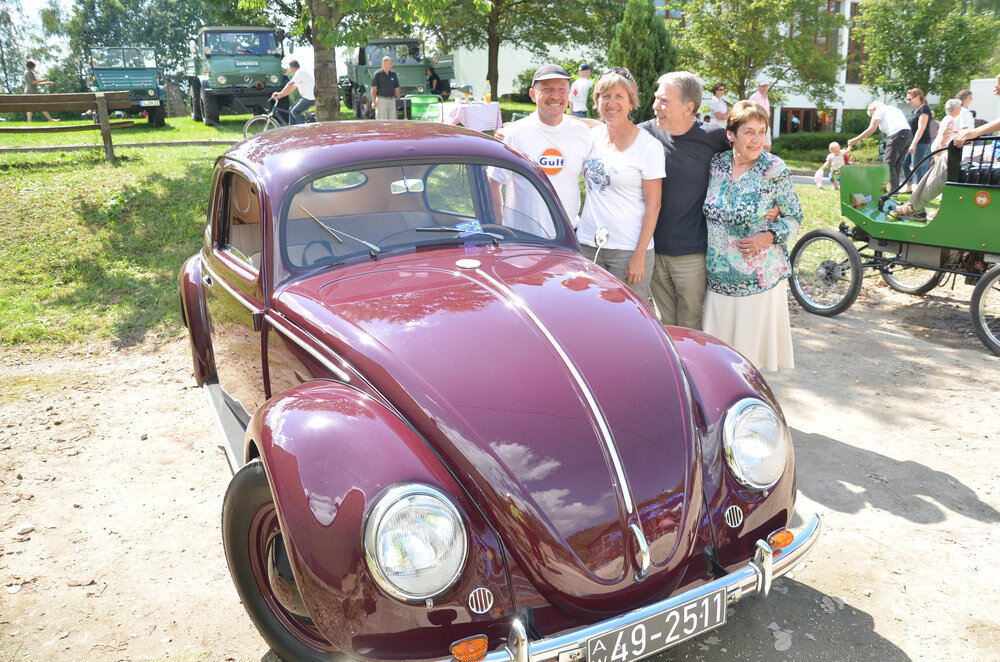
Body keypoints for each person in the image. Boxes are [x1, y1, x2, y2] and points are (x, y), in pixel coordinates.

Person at [702, 100, 802, 371]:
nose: (757, 139)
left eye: (761, 131)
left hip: (758, 282)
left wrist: (767, 236)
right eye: (749, 132)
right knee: (718, 364)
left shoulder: (774, 169)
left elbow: (795, 218)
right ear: (731, 135)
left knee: (749, 367)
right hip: (718, 280)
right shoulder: (717, 164)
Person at [575, 68, 665, 298]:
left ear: (631, 102)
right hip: (587, 245)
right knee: (587, 315)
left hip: (627, 250)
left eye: (619, 96)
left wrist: (639, 256)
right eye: (605, 96)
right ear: (596, 101)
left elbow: (654, 206)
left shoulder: (649, 147)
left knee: (627, 323)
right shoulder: (590, 137)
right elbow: (557, 121)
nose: (611, 103)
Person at [488, 64, 592, 231]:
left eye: (561, 89)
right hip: (525, 239)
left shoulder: (582, 133)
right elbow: (493, 183)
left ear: (569, 93)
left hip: (569, 237)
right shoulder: (513, 134)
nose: (555, 96)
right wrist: (500, 229)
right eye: (547, 89)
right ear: (532, 95)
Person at [847, 100, 912, 190]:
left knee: (888, 164)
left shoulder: (879, 111)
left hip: (896, 135)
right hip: (908, 134)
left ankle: (891, 191)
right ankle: (895, 191)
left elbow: (871, 129)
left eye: (871, 114)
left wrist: (855, 140)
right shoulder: (894, 109)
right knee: (897, 164)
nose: (872, 116)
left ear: (873, 108)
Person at [901, 88, 933, 189]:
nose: (908, 101)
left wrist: (914, 144)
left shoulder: (925, 109)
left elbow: (921, 128)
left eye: (910, 99)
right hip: (913, 142)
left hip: (921, 143)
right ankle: (909, 187)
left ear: (918, 97)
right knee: (905, 164)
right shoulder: (914, 111)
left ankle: (920, 191)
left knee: (916, 168)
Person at [270, 60, 315, 125]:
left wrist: (280, 93)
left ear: (291, 67)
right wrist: (281, 96)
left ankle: (304, 129)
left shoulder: (299, 73)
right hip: (308, 97)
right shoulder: (300, 74)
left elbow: (290, 84)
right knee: (291, 108)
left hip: (310, 97)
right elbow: (291, 89)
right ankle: (292, 128)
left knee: (294, 111)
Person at [748, 81, 772, 152]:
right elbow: (750, 112)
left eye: (766, 86)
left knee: (768, 145)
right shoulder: (753, 97)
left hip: (765, 123)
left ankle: (765, 162)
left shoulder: (766, 97)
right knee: (757, 145)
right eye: (762, 86)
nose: (764, 88)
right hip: (756, 124)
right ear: (759, 87)